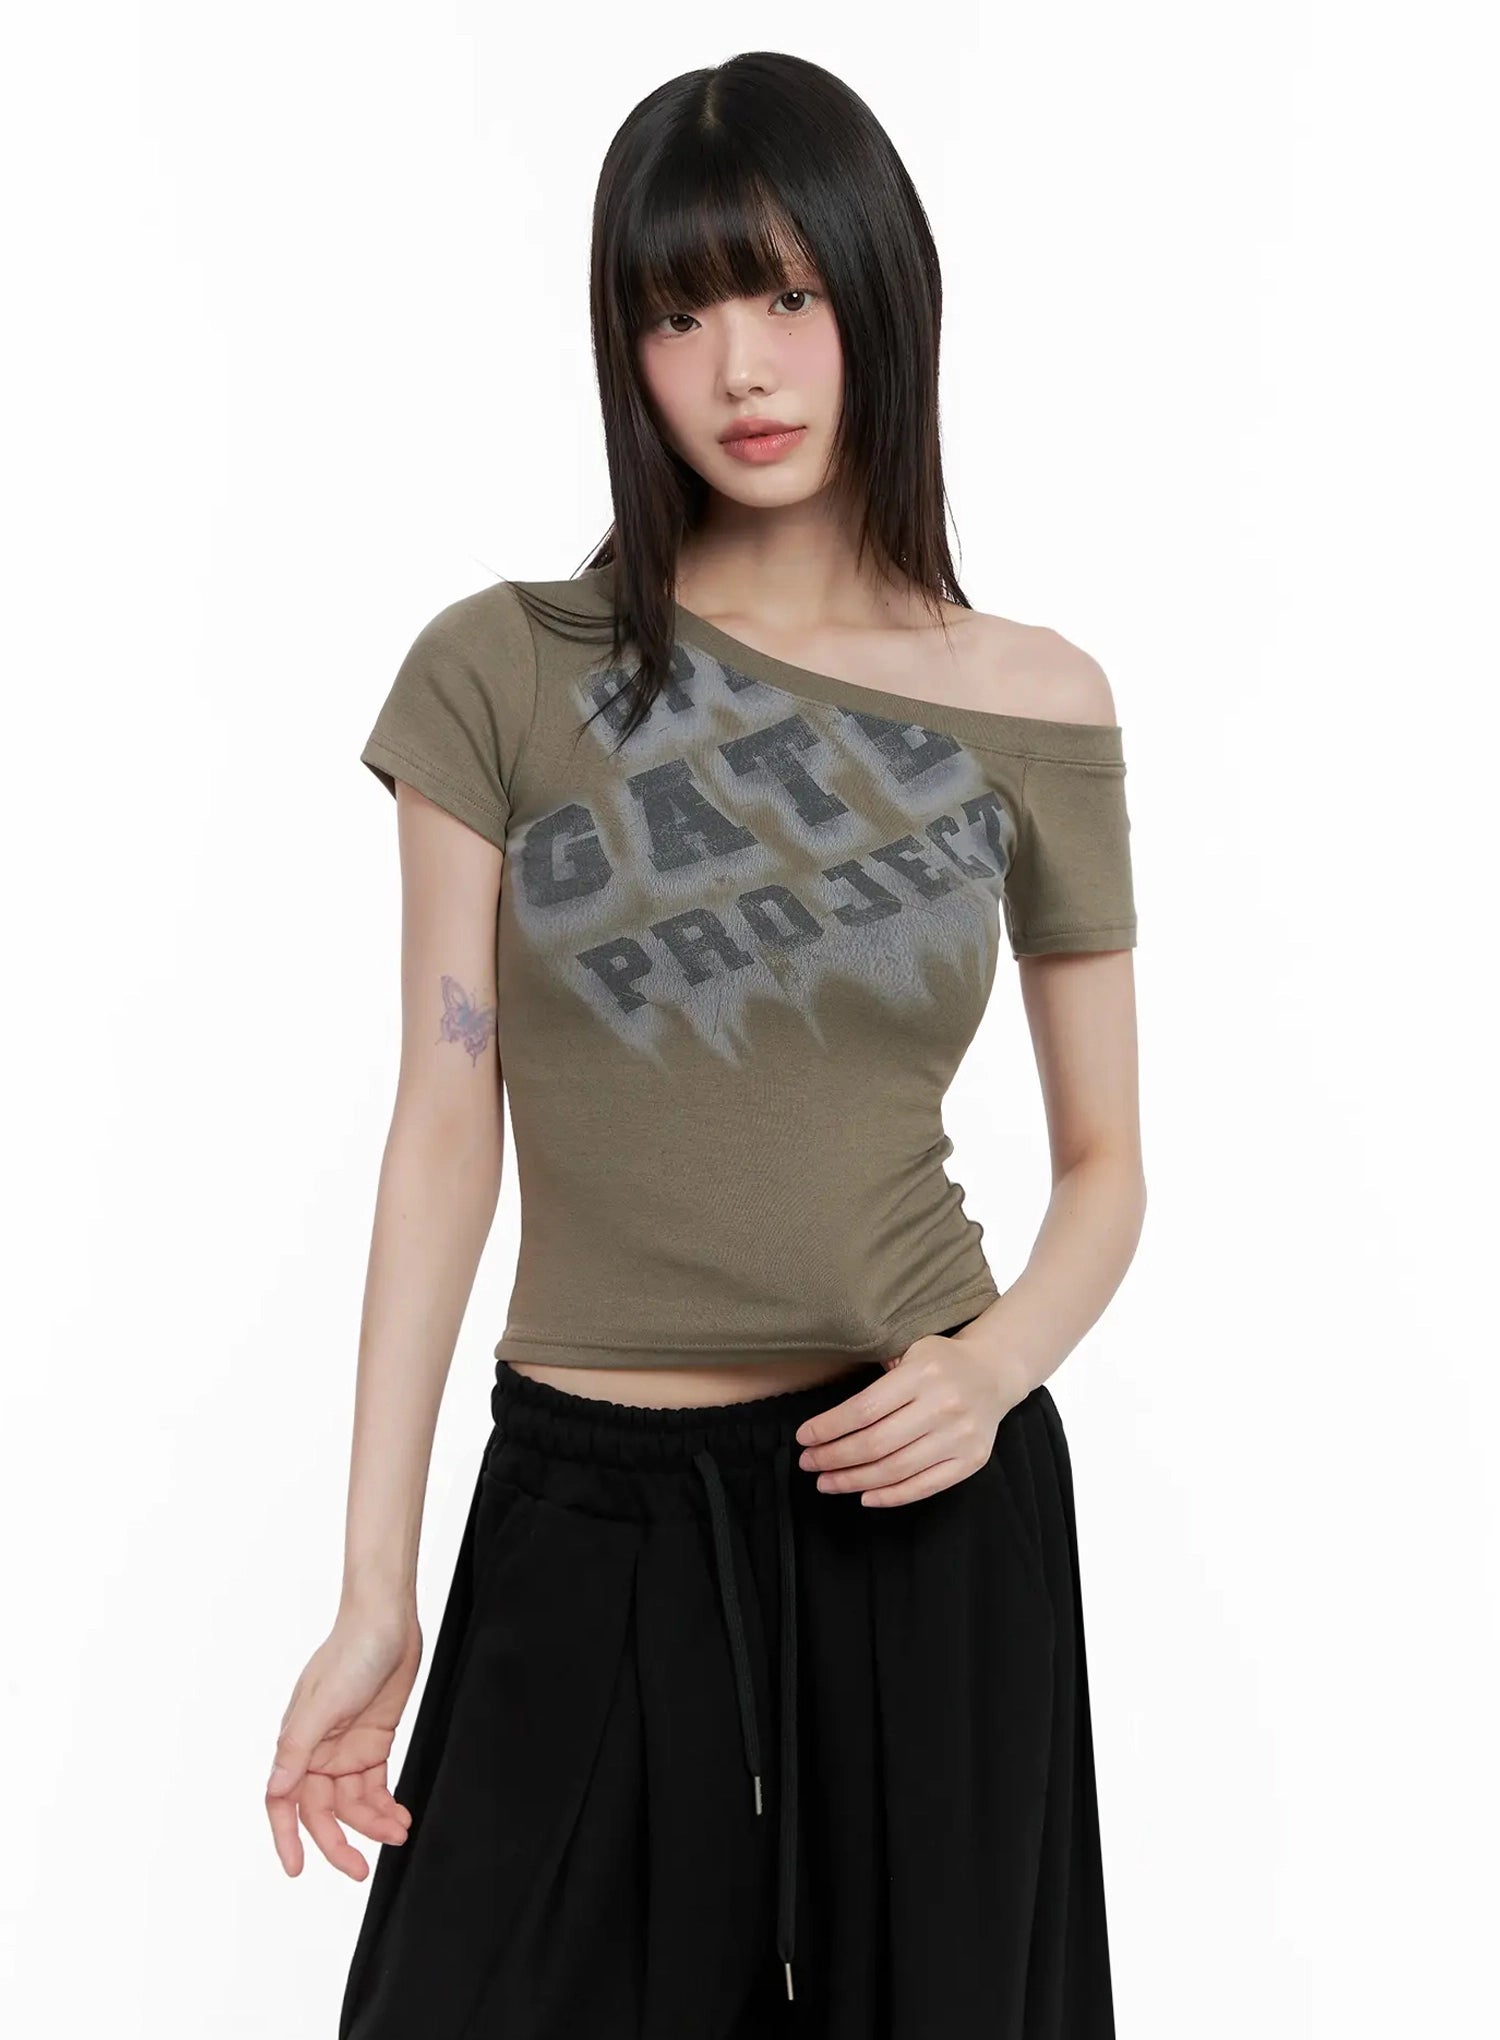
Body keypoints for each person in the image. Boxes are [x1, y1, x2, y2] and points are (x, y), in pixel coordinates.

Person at [265, 48, 1145, 2040]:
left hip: (924, 1483)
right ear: (625, 349)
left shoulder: (1033, 702)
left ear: (877, 295)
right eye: (677, 313)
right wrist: (378, 1585)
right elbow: (444, 1119)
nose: (740, 365)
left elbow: (1108, 1165)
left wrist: (994, 1367)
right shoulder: (501, 671)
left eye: (786, 294)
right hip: (587, 1503)